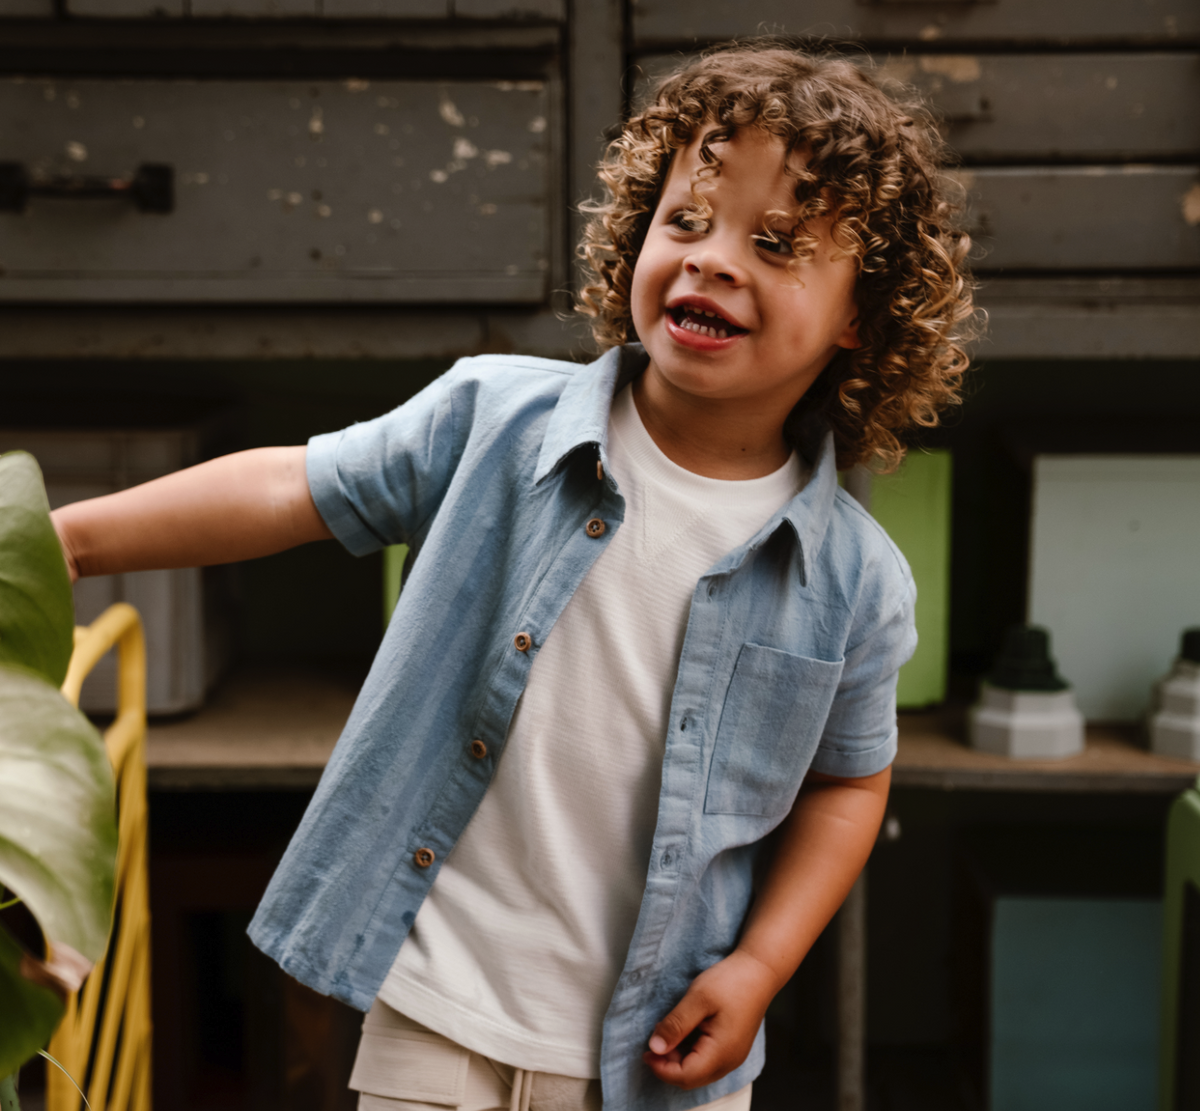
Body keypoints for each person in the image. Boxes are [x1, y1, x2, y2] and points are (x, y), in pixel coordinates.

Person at [51, 42, 974, 1111]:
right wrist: (64, 540)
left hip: (659, 1055)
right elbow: (292, 488)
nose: (713, 260)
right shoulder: (494, 417)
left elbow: (847, 784)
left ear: (863, 315)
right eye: (686, 221)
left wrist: (760, 966)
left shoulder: (856, 582)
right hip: (441, 1007)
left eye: (774, 244)